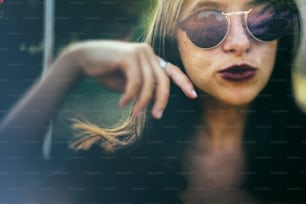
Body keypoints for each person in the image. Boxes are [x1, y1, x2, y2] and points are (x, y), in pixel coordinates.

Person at [1, 0, 306, 203]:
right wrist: (71, 63)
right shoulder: (114, 173)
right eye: (208, 23)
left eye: (264, 19)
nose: (240, 43)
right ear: (171, 41)